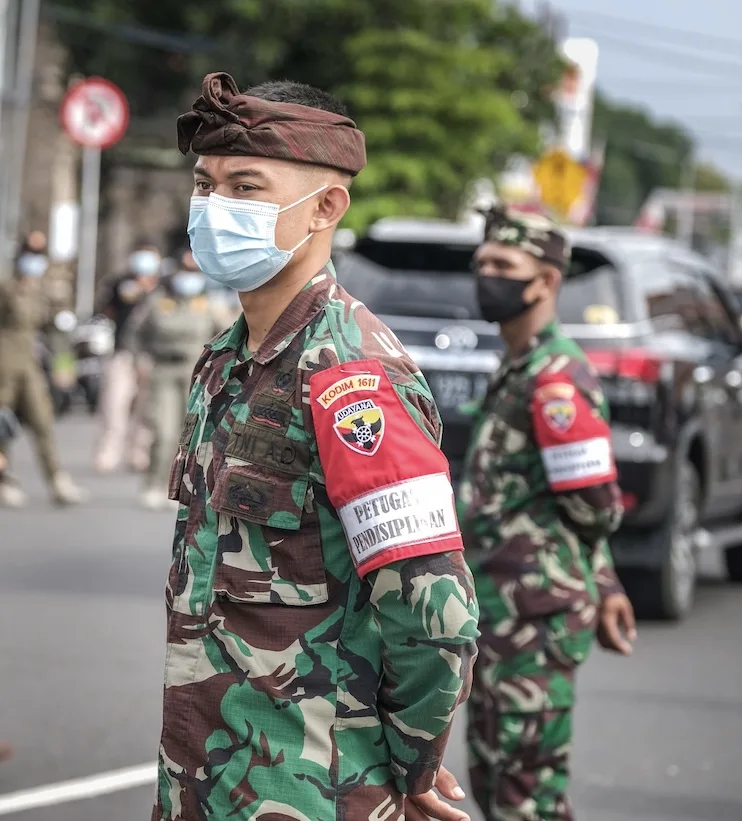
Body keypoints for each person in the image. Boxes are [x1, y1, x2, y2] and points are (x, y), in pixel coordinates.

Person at [151, 72, 479, 821]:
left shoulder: (350, 377)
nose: (212, 209)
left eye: (244, 187)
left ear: (327, 207)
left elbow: (436, 609)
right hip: (204, 781)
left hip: (310, 792)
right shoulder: (230, 358)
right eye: (205, 185)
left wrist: (412, 762)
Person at [458, 204, 637, 821]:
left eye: (504, 265)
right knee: (496, 781)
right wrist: (606, 578)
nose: (487, 274)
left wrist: (594, 578)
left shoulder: (556, 380)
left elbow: (593, 504)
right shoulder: (519, 366)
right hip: (501, 614)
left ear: (546, 282)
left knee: (524, 797)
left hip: (532, 619)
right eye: (482, 262)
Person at [124, 255, 230, 509]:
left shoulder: (208, 304)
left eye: (193, 271)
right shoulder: (158, 302)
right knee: (163, 429)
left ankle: (182, 489)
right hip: (163, 370)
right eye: (184, 271)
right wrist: (139, 360)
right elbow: (134, 334)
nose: (188, 277)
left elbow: (228, 334)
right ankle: (153, 484)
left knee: (191, 434)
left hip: (196, 374)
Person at [0, 236, 87, 506]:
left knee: (43, 421)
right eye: (30, 254)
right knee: (2, 427)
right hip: (3, 365)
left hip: (29, 366)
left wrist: (64, 367)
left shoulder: (42, 293)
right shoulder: (6, 289)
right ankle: (4, 482)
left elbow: (57, 333)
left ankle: (57, 480)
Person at [93, 241, 162, 474]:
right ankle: (108, 454)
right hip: (122, 352)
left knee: (146, 409)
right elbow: (105, 309)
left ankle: (139, 455)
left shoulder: (164, 288)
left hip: (152, 355)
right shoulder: (119, 284)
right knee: (114, 405)